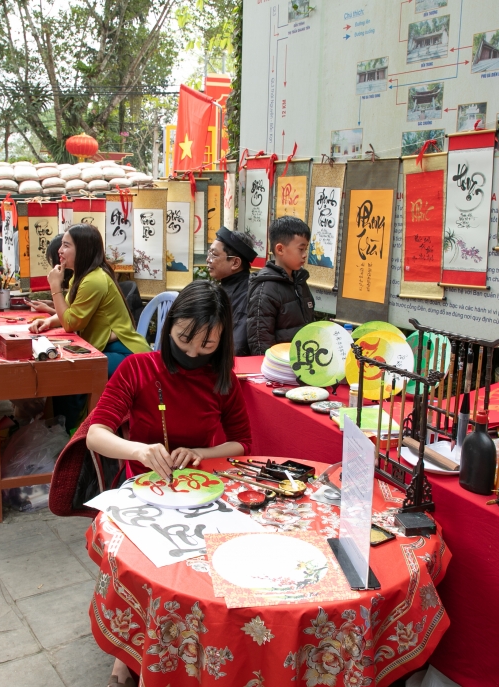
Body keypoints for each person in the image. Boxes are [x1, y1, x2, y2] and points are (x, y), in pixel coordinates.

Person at [86, 280, 251, 687]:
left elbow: (242, 442)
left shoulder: (221, 378)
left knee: (194, 580)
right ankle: (129, 650)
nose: (193, 354)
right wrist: (140, 450)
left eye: (207, 346)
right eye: (184, 339)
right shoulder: (139, 368)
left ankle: (184, 647)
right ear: (170, 324)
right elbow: (96, 434)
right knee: (148, 574)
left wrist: (202, 453)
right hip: (143, 489)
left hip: (200, 490)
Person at [29, 223, 150, 376]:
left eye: (66, 246)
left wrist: (55, 287)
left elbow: (69, 323)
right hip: (106, 347)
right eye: (61, 245)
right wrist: (49, 322)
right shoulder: (80, 277)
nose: (60, 251)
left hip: (127, 353)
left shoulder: (94, 280)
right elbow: (69, 311)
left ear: (82, 250)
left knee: (72, 371)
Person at [246, 215, 316, 355]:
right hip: (279, 368)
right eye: (301, 249)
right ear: (280, 249)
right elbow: (260, 342)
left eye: (306, 249)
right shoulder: (265, 289)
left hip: (303, 363)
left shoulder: (299, 280)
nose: (304, 255)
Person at [206, 228, 257, 357]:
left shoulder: (247, 293)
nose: (208, 259)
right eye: (209, 253)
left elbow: (236, 347)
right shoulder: (224, 285)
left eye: (214, 255)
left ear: (235, 262)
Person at [25, 233, 72, 321]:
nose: (60, 251)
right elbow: (71, 311)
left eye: (65, 246)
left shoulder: (89, 281)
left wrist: (48, 309)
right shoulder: (74, 279)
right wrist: (54, 304)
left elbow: (71, 320)